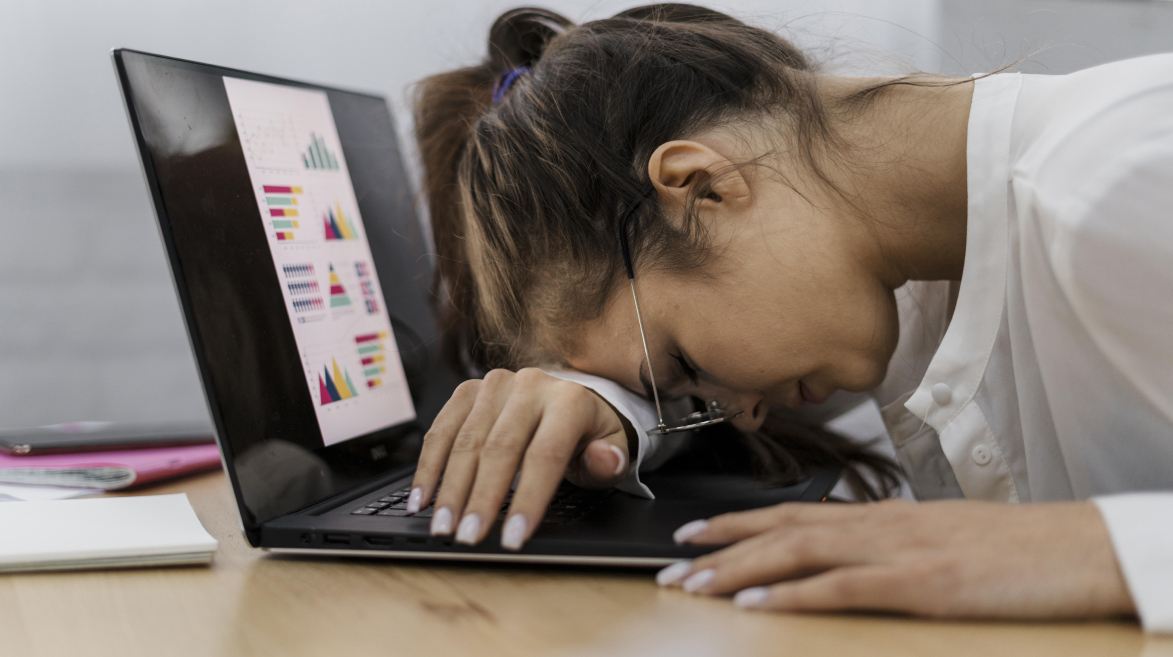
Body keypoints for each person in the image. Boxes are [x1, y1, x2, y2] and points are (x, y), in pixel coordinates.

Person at [406, 4, 1173, 632]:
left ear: (701, 188)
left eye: (687, 369)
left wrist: (1095, 548)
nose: (742, 413)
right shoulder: (898, 280)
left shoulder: (1124, 179)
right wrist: (602, 401)